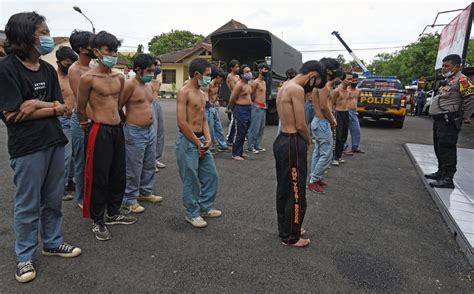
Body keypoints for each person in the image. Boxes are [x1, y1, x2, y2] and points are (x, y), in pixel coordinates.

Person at [0, 11, 82, 283]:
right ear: (25, 35)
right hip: (27, 147)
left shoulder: (47, 69)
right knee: (27, 203)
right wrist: (50, 107)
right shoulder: (6, 68)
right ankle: (24, 257)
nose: (48, 37)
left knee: (53, 198)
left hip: (55, 141)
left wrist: (35, 104)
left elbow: (63, 109)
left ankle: (52, 242)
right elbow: (11, 114)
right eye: (43, 32)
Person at [77, 31, 136, 241]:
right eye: (108, 50)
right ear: (96, 52)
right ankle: (98, 220)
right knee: (99, 177)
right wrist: (85, 124)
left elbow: (118, 105)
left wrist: (122, 121)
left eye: (115, 50)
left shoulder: (119, 77)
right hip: (99, 129)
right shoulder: (88, 78)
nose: (112, 54)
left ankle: (113, 212)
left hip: (117, 129)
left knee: (118, 173)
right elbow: (80, 107)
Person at [274, 60, 325, 247]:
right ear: (313, 76)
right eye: (316, 82)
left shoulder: (285, 86)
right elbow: (301, 124)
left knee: (284, 189)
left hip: (281, 140)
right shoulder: (296, 89)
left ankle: (287, 228)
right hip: (292, 141)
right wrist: (308, 140)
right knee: (296, 192)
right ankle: (291, 237)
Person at [175, 58, 221, 228]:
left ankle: (205, 207)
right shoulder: (184, 92)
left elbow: (203, 119)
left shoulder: (202, 93)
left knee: (211, 175)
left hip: (201, 140)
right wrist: (197, 142)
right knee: (191, 179)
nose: (209, 78)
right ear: (196, 74)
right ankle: (192, 213)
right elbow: (182, 122)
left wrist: (208, 139)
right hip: (188, 141)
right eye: (207, 75)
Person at [122, 54, 163, 214]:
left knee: (149, 163)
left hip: (149, 130)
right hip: (134, 131)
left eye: (153, 71)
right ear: (138, 70)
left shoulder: (149, 85)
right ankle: (130, 199)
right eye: (149, 71)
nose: (151, 74)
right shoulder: (129, 85)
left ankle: (146, 192)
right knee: (133, 167)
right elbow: (119, 106)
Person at [426, 54, 474, 188]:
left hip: (449, 120)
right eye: (443, 65)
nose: (443, 68)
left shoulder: (463, 80)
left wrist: (465, 116)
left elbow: (470, 98)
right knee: (439, 146)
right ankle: (441, 172)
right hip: (440, 119)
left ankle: (448, 178)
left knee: (447, 147)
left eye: (447, 65)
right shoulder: (450, 79)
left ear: (456, 66)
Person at [68, 29, 95, 208]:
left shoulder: (93, 68)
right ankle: (81, 198)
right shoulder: (75, 70)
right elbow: (82, 102)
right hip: (82, 121)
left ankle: (93, 194)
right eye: (92, 44)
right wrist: (89, 122)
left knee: (94, 161)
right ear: (82, 49)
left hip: (97, 121)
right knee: (81, 162)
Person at [307, 70, 337, 194]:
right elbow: (324, 107)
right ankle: (314, 180)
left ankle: (315, 178)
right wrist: (333, 120)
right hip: (322, 122)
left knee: (318, 152)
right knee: (326, 154)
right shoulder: (323, 87)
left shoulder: (317, 87)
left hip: (317, 121)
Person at [55, 46, 78, 201]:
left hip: (76, 118)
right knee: (65, 155)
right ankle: (59, 187)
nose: (69, 67)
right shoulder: (53, 77)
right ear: (58, 62)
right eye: (67, 64)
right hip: (62, 120)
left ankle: (70, 181)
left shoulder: (73, 76)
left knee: (75, 155)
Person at [228, 64, 253, 161]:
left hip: (248, 109)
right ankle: (235, 153)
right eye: (247, 72)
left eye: (249, 71)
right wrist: (234, 109)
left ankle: (240, 151)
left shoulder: (249, 84)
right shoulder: (239, 85)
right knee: (239, 132)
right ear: (242, 75)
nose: (249, 73)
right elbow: (232, 98)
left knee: (244, 132)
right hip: (240, 109)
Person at [247, 63, 269, 153]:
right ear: (260, 70)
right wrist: (253, 104)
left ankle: (257, 145)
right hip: (256, 107)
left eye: (267, 69)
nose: (266, 71)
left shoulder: (263, 82)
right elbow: (251, 93)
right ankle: (250, 146)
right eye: (264, 69)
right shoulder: (255, 82)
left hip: (263, 107)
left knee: (261, 128)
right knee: (254, 128)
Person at [207, 67, 230, 152]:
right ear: (217, 77)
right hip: (209, 107)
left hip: (215, 106)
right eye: (221, 79)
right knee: (210, 128)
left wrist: (216, 102)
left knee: (218, 127)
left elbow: (217, 95)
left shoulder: (218, 85)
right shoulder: (209, 85)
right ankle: (211, 147)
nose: (222, 82)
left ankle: (222, 145)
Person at [332, 72, 353, 164]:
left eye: (351, 79)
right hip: (338, 113)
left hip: (346, 113)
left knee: (344, 135)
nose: (350, 81)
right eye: (348, 79)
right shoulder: (337, 91)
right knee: (338, 136)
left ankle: (339, 156)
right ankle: (334, 158)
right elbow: (332, 103)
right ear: (342, 79)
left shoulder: (349, 91)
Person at [150, 57, 166, 172]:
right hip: (150, 104)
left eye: (160, 65)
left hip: (157, 104)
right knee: (153, 133)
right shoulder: (147, 79)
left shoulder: (158, 81)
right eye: (157, 65)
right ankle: (150, 162)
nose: (159, 67)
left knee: (160, 132)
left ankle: (156, 158)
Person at [345, 72, 364, 154]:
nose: (355, 82)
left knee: (356, 130)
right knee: (344, 131)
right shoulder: (346, 90)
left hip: (354, 112)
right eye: (353, 80)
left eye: (356, 80)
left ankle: (355, 147)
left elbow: (357, 100)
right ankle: (344, 148)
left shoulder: (359, 90)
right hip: (346, 111)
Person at [225, 59, 240, 145]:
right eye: (236, 67)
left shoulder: (237, 77)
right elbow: (235, 89)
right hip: (234, 99)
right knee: (233, 119)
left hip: (239, 99)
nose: (238, 68)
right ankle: (229, 138)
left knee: (237, 119)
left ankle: (234, 136)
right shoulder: (230, 77)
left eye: (238, 66)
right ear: (231, 68)